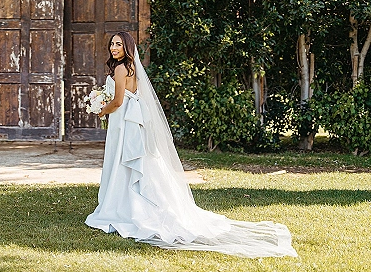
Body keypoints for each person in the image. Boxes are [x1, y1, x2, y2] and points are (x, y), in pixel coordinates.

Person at [85, 31, 298, 258]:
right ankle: (136, 201)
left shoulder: (120, 69)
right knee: (136, 162)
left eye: (118, 44)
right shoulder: (132, 68)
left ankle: (123, 206)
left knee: (123, 161)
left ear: (127, 46)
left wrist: (101, 110)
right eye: (112, 44)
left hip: (124, 123)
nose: (113, 47)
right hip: (130, 122)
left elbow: (118, 101)